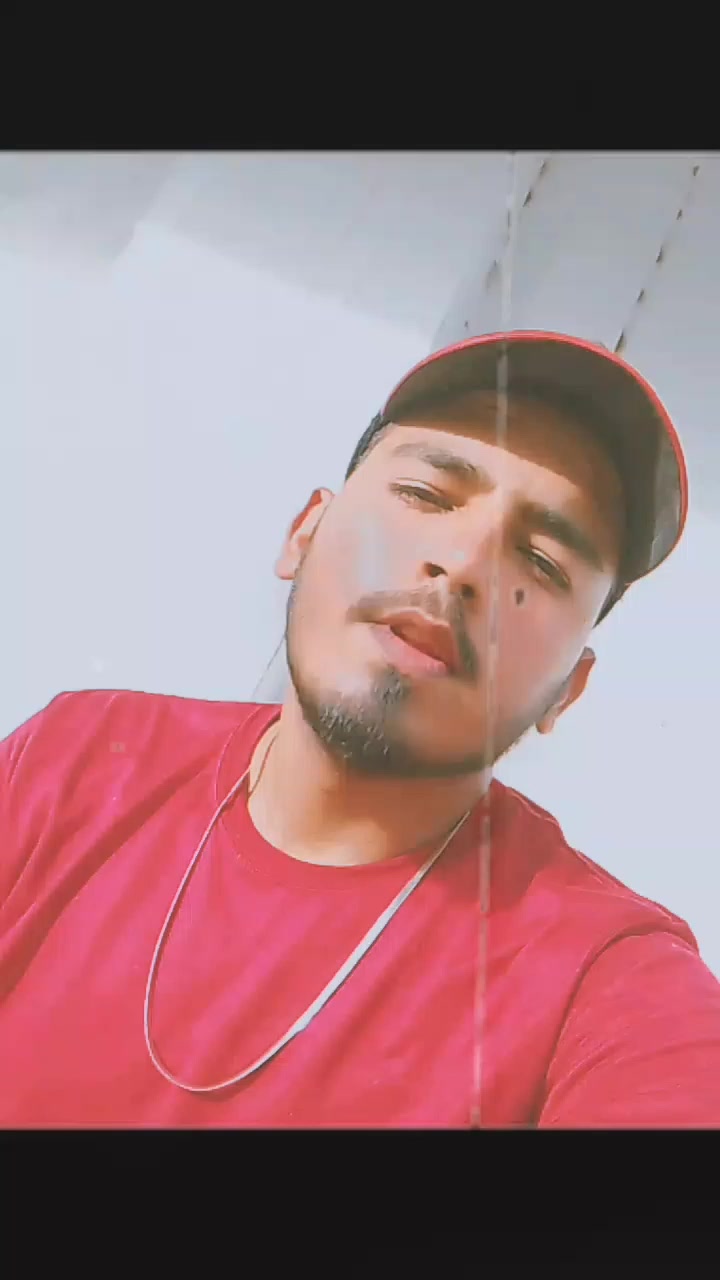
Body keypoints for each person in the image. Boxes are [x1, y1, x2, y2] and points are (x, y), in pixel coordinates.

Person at [2, 329, 720, 1129]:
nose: (464, 562)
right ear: (305, 532)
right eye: (427, 495)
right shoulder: (79, 757)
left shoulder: (605, 977)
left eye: (544, 562)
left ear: (569, 690)